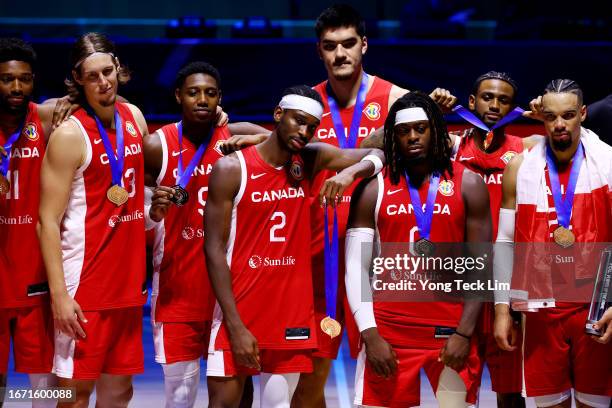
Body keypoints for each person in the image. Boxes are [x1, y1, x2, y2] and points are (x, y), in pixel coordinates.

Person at [295, 5, 456, 405]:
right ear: (319, 51)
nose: (340, 54)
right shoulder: (305, 107)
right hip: (319, 259)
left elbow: (439, 149)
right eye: (330, 46)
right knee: (309, 381)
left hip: (380, 260)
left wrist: (434, 113)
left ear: (364, 45)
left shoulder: (396, 100)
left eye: (349, 43)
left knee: (389, 377)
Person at [204, 85, 385, 408]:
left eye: (311, 126)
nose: (303, 131)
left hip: (290, 314)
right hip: (241, 311)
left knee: (279, 405)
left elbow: (379, 155)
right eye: (297, 121)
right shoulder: (231, 169)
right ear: (278, 114)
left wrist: (348, 174)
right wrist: (235, 325)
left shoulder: (312, 159)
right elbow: (214, 251)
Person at [37, 32, 166, 407]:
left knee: (120, 391)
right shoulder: (68, 135)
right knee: (74, 394)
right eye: (92, 76)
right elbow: (47, 220)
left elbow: (135, 194)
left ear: (119, 69)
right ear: (77, 79)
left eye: (108, 71)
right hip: (84, 287)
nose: (103, 81)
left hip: (127, 286)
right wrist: (60, 296)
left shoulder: (134, 117)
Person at [345, 91, 491, 407]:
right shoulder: (373, 189)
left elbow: (484, 265)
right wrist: (370, 335)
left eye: (421, 128)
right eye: (403, 130)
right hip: (389, 334)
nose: (412, 136)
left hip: (450, 330)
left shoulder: (469, 184)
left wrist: (464, 334)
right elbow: (355, 268)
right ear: (392, 137)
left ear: (436, 130)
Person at [143, 60, 268, 408]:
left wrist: (255, 137)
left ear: (220, 100)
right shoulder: (157, 145)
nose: (202, 100)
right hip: (177, 293)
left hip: (232, 295)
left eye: (210, 94)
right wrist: (153, 212)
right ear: (178, 96)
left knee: (240, 394)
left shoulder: (236, 137)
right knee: (180, 398)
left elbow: (288, 141)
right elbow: (135, 219)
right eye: (194, 92)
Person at [494, 79, 612, 408]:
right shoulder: (519, 168)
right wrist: (502, 309)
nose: (559, 124)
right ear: (542, 118)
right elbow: (505, 241)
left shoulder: (609, 164)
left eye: (569, 115)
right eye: (551, 117)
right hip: (541, 311)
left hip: (596, 306)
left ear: (584, 114)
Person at [451, 71, 540, 407]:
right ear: (471, 102)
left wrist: (546, 114)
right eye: (487, 97)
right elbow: (389, 139)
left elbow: (579, 135)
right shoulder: (451, 146)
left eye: (504, 100)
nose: (495, 105)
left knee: (510, 393)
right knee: (455, 390)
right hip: (462, 287)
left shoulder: (528, 150)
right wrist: (430, 106)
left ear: (513, 108)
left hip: (507, 288)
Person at [0, 37, 77, 408]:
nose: (17, 87)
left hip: (36, 277)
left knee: (44, 389)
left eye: (25, 79)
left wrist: (220, 114)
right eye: (7, 79)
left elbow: (115, 102)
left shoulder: (46, 117)